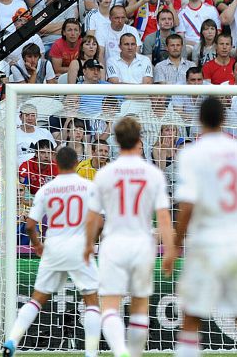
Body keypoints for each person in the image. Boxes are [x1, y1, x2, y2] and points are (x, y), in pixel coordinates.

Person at [167, 97, 237, 357]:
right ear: (224, 119)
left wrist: (175, 245)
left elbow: (186, 206)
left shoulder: (192, 153)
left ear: (199, 121)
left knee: (191, 321)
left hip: (205, 245)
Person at [84, 117, 175, 357]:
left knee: (110, 306)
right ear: (139, 140)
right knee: (139, 305)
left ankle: (120, 351)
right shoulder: (152, 173)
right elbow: (164, 218)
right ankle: (133, 354)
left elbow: (93, 217)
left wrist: (86, 246)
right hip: (142, 243)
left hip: (113, 243)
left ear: (116, 140)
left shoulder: (105, 173)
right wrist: (170, 250)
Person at [3, 147, 101, 357]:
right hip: (79, 247)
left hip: (54, 247)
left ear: (56, 163)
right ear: (76, 163)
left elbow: (30, 225)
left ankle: (12, 340)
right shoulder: (88, 187)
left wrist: (38, 245)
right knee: (92, 301)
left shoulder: (46, 189)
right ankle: (91, 353)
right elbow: (99, 221)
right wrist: (91, 241)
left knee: (36, 300)